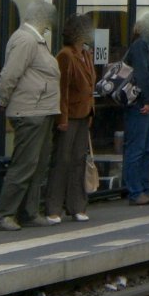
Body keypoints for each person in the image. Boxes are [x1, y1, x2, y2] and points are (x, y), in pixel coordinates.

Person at [0, 1, 60, 231]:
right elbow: (10, 73)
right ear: (42, 18)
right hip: (30, 111)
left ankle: (29, 211)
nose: (51, 24)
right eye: (50, 19)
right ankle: (5, 213)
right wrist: (2, 99)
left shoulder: (36, 41)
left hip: (41, 109)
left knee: (38, 164)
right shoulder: (26, 40)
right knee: (25, 164)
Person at [45, 13, 97, 223]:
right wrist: (62, 118)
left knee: (78, 160)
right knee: (62, 161)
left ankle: (77, 206)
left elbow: (90, 86)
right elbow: (62, 89)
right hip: (70, 116)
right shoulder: (65, 55)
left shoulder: (87, 55)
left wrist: (91, 110)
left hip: (84, 114)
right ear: (79, 33)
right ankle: (53, 207)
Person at [122, 12, 149, 206]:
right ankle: (135, 191)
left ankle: (145, 189)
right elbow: (142, 74)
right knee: (137, 148)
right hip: (140, 104)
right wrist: (148, 101)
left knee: (146, 149)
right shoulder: (141, 45)